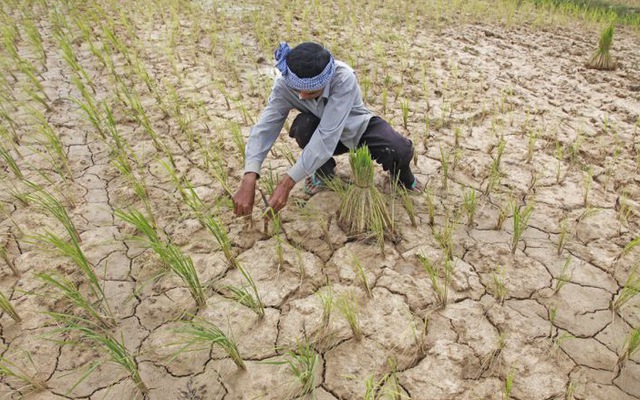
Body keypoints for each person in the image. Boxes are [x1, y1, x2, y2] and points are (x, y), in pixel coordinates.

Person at [232, 41, 421, 217]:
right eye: (297, 91)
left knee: (398, 149)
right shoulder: (285, 83)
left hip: (357, 127)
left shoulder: (343, 78)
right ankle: (324, 173)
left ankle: (403, 178)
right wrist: (249, 176)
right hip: (320, 130)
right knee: (302, 127)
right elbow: (266, 126)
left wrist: (286, 184)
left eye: (312, 92)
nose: (303, 96)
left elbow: (326, 136)